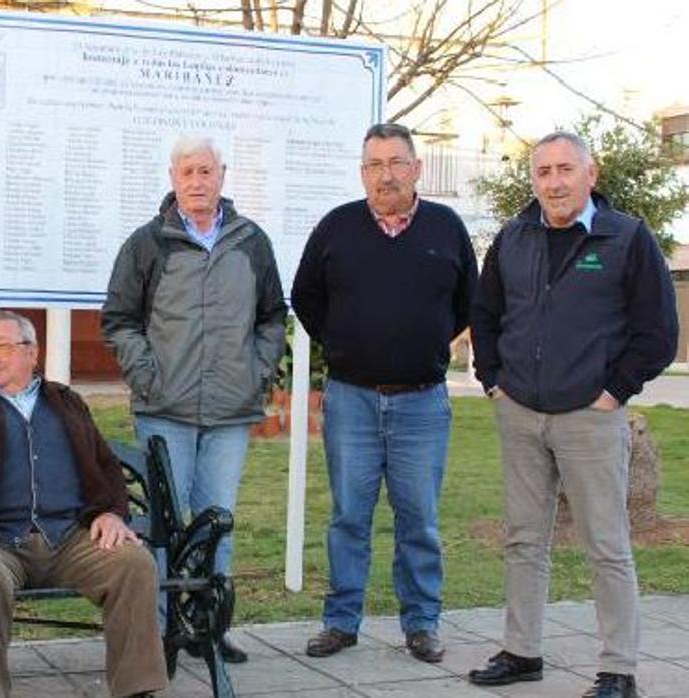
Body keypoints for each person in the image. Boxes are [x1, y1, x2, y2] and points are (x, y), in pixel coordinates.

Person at [467, 132, 678, 698]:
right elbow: (485, 317)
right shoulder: (512, 238)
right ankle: (522, 651)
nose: (554, 183)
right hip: (521, 414)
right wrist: (494, 382)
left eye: (565, 170)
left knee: (606, 544)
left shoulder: (627, 239)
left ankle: (618, 669)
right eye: (544, 173)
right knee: (523, 539)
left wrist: (614, 392)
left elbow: (658, 334)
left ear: (592, 173)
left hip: (591, 417)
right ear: (533, 180)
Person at [291, 123, 478, 663]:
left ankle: (422, 623)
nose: (385, 174)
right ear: (362, 172)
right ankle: (341, 621)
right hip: (352, 399)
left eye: (396, 162)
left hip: (422, 401)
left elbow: (469, 302)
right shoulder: (337, 227)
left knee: (418, 518)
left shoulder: (445, 227)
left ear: (417, 168)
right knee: (349, 515)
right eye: (374, 164)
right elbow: (307, 297)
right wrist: (348, 343)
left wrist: (419, 340)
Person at [101, 135, 287, 663]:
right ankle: (157, 632)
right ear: (173, 177)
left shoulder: (251, 242)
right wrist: (147, 373)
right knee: (162, 528)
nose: (198, 182)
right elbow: (119, 320)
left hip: (230, 412)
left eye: (206, 171)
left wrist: (256, 371)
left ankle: (209, 625)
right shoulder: (148, 243)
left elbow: (273, 316)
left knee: (216, 522)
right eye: (188, 172)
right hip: (165, 409)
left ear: (222, 176)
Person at [0, 310, 167, 698]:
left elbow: (104, 463)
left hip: (68, 538)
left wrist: (111, 512)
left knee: (134, 563)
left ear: (31, 352)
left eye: (2, 346)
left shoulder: (65, 401)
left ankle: (136, 691)